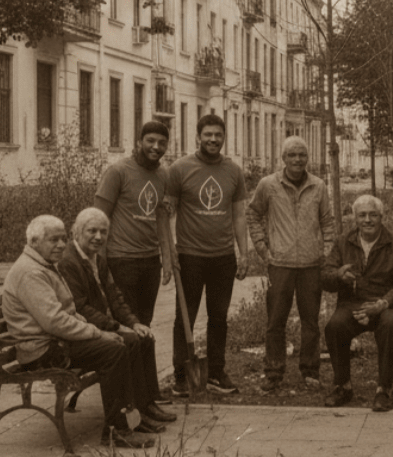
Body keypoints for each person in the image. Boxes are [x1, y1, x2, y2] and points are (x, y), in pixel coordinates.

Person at [2, 215, 153, 448]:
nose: (62, 245)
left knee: (122, 342)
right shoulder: (31, 273)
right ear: (34, 241)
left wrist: (97, 330)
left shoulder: (43, 265)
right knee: (113, 350)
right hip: (41, 352)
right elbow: (56, 322)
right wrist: (98, 333)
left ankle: (131, 418)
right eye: (54, 240)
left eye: (63, 239)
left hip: (53, 342)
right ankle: (117, 431)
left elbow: (67, 313)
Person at [58, 208, 177, 432]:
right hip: (83, 331)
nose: (98, 237)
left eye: (103, 232)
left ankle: (146, 405)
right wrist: (116, 327)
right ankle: (133, 415)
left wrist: (133, 322)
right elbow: (80, 308)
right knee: (129, 342)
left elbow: (115, 297)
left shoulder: (98, 259)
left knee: (144, 336)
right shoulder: (69, 263)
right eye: (92, 231)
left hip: (99, 327)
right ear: (77, 232)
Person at [165, 114, 249, 396]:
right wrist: (169, 253)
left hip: (223, 257)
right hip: (190, 256)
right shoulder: (180, 169)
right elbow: (168, 214)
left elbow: (239, 215)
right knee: (184, 317)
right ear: (198, 136)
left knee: (219, 317)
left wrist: (243, 253)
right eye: (208, 135)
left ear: (224, 137)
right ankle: (180, 375)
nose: (213, 139)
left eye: (218, 135)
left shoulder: (234, 172)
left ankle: (215, 373)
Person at [247, 136, 335, 392]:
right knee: (276, 321)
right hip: (280, 264)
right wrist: (263, 248)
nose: (298, 160)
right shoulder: (268, 185)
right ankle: (274, 372)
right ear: (283, 159)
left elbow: (328, 222)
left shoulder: (318, 186)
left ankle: (310, 371)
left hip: (311, 264)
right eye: (292, 155)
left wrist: (326, 251)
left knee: (310, 322)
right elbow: (252, 213)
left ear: (308, 158)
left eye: (302, 155)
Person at [322, 195, 393, 411]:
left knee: (391, 326)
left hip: (386, 305)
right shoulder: (343, 242)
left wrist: (383, 303)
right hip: (353, 304)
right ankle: (343, 386)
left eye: (373, 215)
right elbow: (325, 276)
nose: (367, 220)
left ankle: (384, 390)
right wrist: (338, 275)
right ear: (354, 218)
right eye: (362, 215)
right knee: (334, 326)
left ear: (382, 217)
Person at [94, 120, 174, 330]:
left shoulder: (164, 175)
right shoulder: (118, 172)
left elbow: (162, 219)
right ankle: (130, 363)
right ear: (139, 142)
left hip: (150, 262)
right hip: (122, 260)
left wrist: (166, 258)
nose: (156, 147)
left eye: (162, 143)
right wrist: (99, 262)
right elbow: (98, 219)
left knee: (145, 322)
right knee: (128, 323)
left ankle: (144, 363)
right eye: (150, 141)